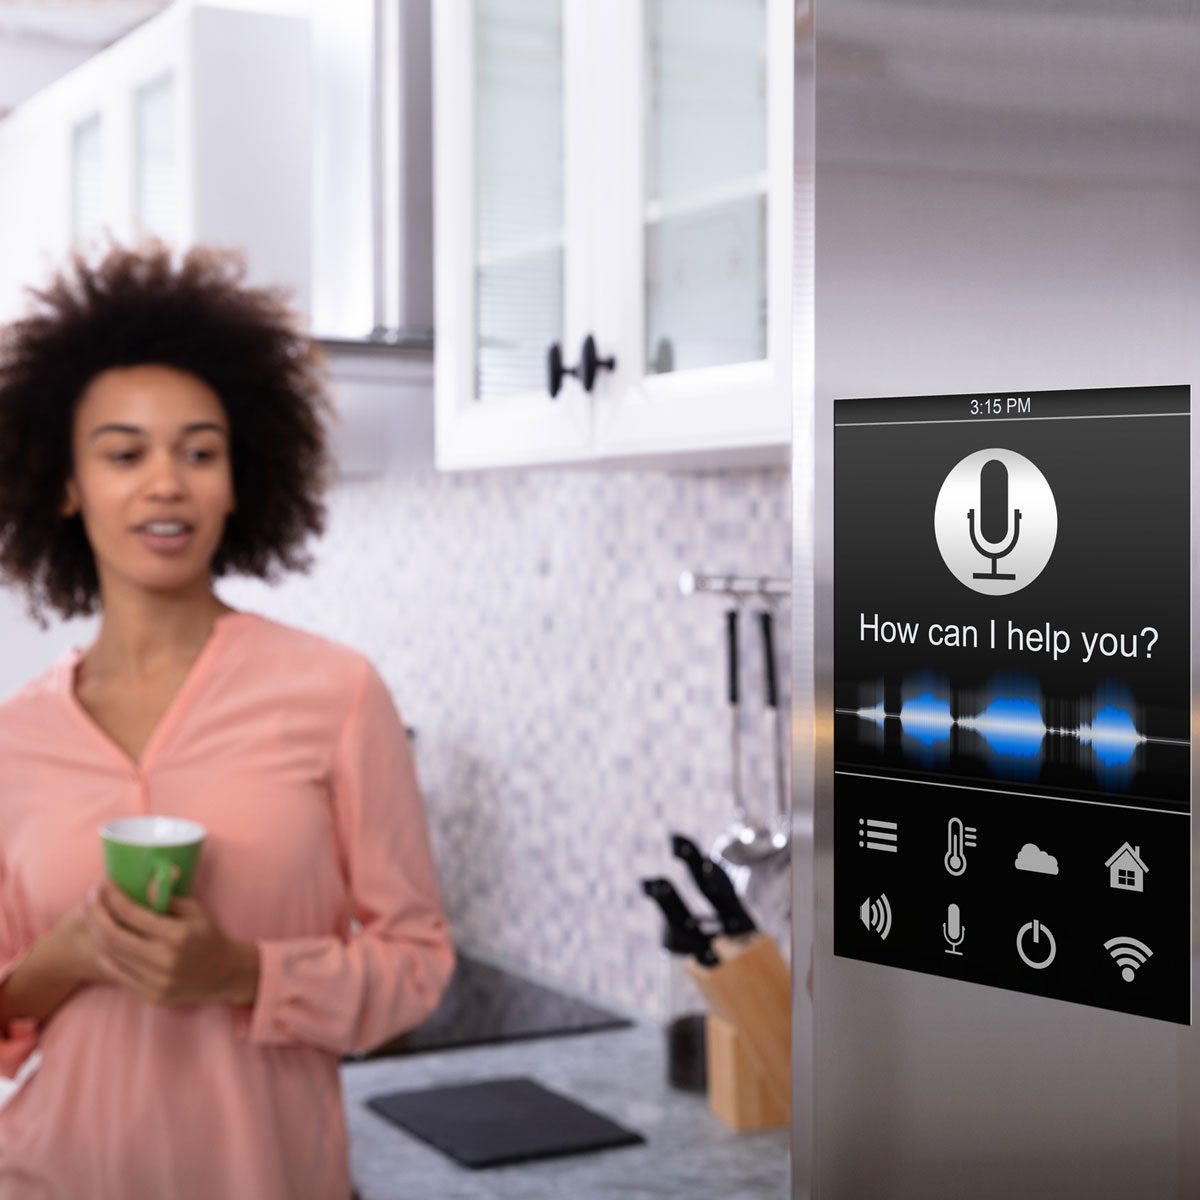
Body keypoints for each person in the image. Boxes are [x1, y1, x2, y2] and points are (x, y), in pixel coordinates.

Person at [0, 239, 456, 1199]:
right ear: (67, 484)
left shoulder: (335, 694)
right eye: (125, 454)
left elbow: (416, 970)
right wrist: (65, 958)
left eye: (199, 452)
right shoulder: (16, 740)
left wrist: (245, 973)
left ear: (238, 480)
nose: (166, 482)